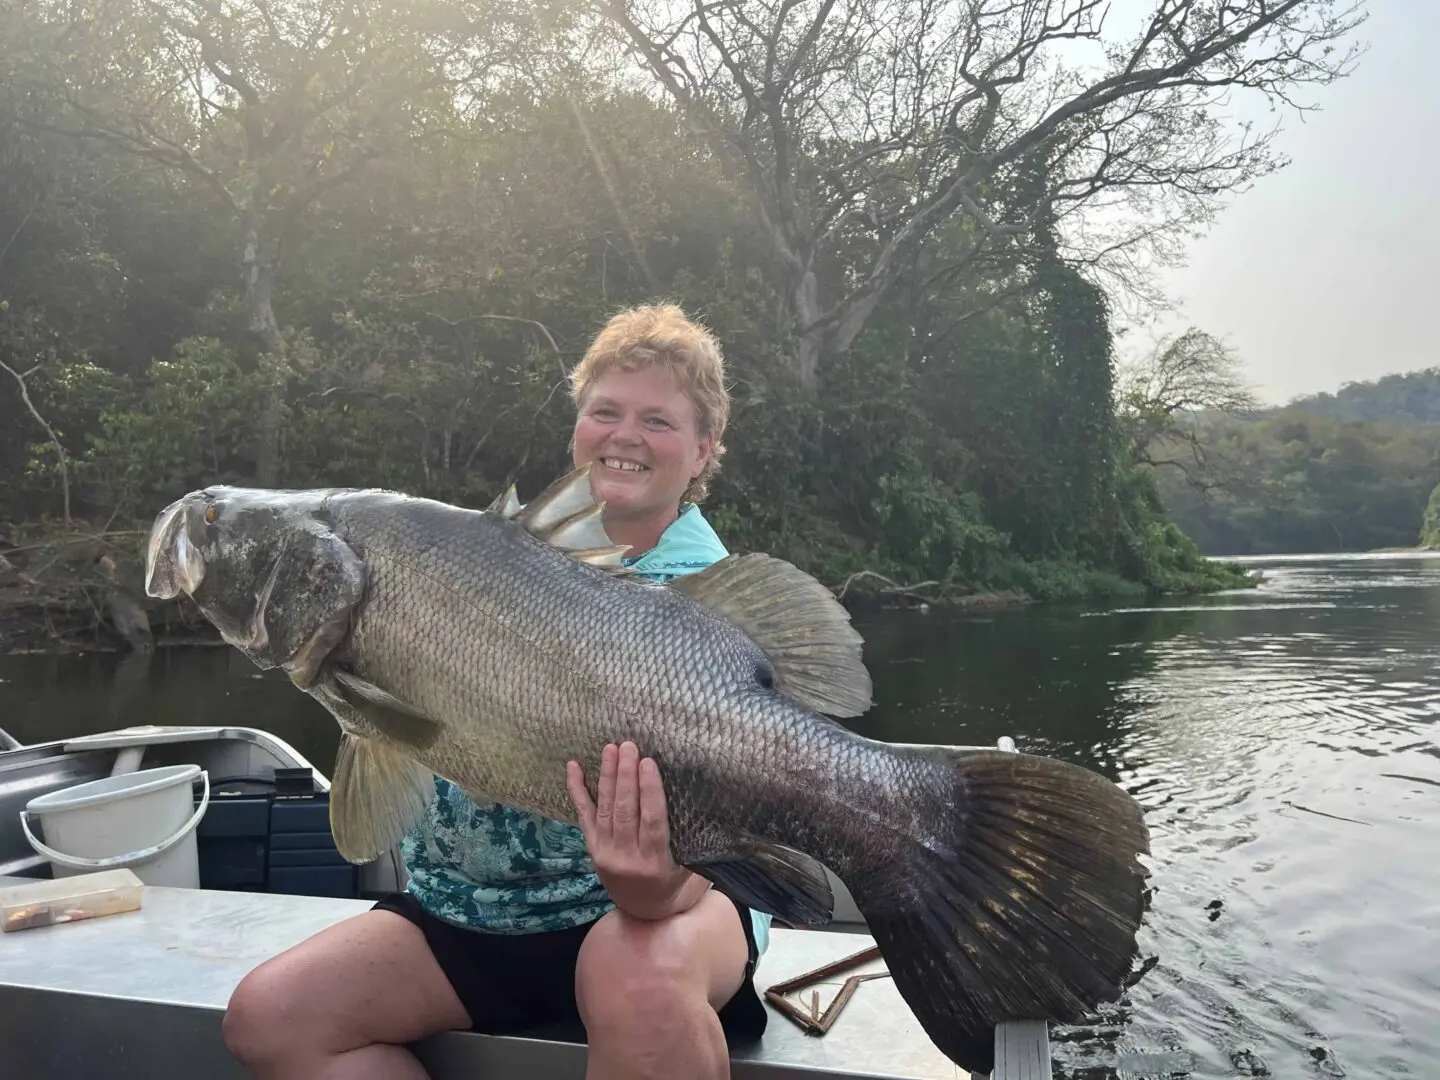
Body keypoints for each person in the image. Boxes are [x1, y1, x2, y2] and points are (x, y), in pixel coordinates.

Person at [220, 303, 771, 1080]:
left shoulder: (716, 606)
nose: (624, 435)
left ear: (704, 448)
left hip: (657, 912)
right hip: (471, 912)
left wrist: (656, 889)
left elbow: (725, 841)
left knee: (637, 979)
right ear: (578, 424)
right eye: (605, 411)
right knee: (274, 1018)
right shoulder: (498, 553)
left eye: (658, 420)